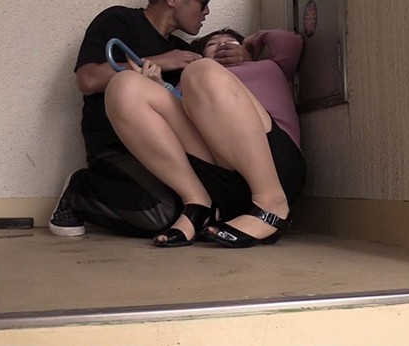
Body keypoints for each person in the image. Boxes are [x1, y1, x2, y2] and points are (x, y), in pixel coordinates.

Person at [50, 0, 240, 238]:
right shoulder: (119, 21)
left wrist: (244, 56)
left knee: (206, 206)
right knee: (163, 214)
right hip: (116, 146)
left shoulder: (185, 51)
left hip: (168, 149)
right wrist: (162, 61)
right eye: (203, 2)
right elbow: (88, 79)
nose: (207, 12)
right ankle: (81, 190)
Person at [105, 27, 306, 248]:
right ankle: (199, 205)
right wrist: (159, 85)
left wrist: (252, 42)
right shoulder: (190, 81)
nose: (222, 45)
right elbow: (179, 125)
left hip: (276, 168)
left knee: (202, 72)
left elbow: (291, 43)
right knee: (124, 86)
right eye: (212, 44)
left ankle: (271, 204)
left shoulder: (269, 66)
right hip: (218, 177)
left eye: (231, 42)